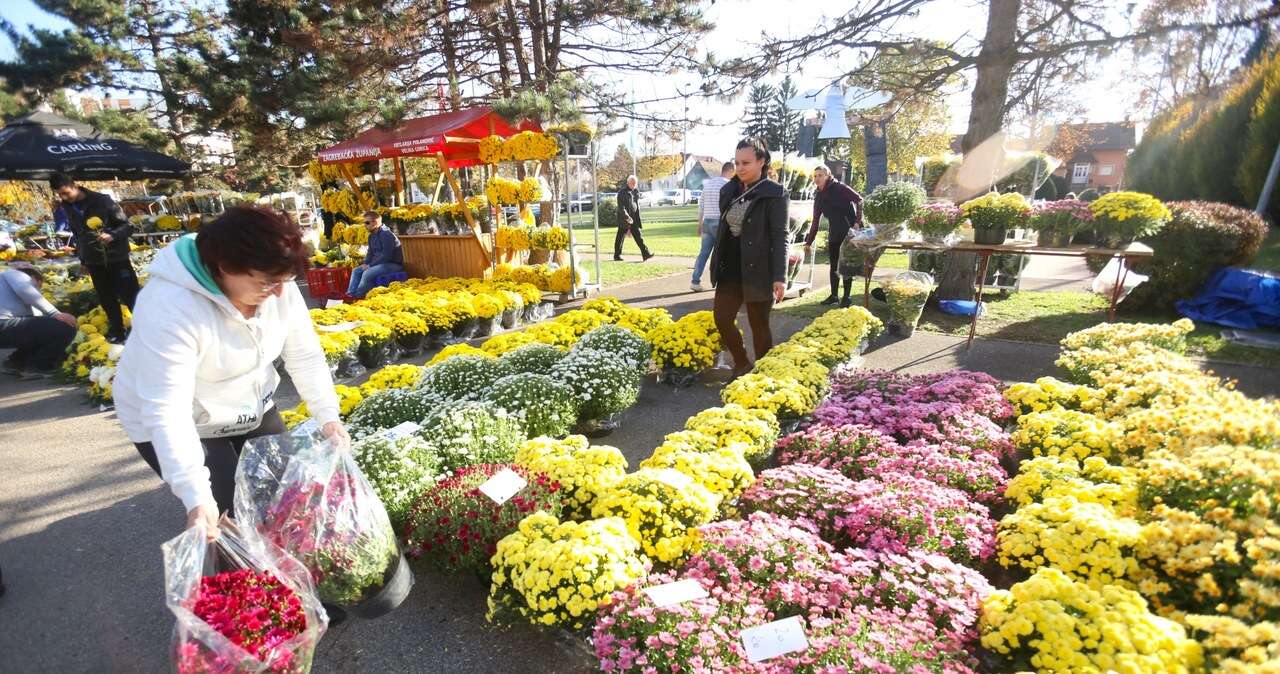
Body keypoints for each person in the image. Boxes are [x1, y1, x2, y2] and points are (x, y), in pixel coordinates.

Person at [113, 206, 349, 540]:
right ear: (225, 268)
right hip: (189, 419)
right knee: (229, 519)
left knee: (287, 500)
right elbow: (168, 410)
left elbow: (305, 355)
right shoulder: (170, 307)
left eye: (284, 281)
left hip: (251, 402)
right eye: (267, 282)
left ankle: (296, 582)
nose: (279, 292)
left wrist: (328, 416)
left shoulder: (276, 285)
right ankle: (250, 583)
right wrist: (195, 496)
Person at [710, 138, 788, 378]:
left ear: (761, 162)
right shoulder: (729, 189)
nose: (740, 168)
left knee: (759, 326)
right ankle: (742, 363)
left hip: (759, 270)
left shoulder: (775, 193)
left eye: (746, 162)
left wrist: (780, 276)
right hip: (730, 268)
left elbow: (780, 236)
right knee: (722, 319)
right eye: (737, 162)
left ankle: (764, 376)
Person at [49, 173, 139, 343]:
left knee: (131, 295)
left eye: (66, 193)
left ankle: (146, 327)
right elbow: (77, 234)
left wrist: (112, 235)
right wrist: (83, 260)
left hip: (116, 258)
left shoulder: (102, 200)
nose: (64, 197)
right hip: (94, 261)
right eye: (60, 194)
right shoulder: (66, 206)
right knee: (106, 298)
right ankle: (118, 331)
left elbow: (128, 226)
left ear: (75, 186)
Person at [0, 264, 78, 377]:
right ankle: (37, 366)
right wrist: (55, 313)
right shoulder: (15, 273)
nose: (37, 291)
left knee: (41, 329)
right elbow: (24, 289)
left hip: (5, 326)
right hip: (3, 324)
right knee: (66, 327)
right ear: (34, 277)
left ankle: (17, 362)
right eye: (37, 286)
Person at [804, 165, 864, 307]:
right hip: (834, 232)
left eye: (820, 175)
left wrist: (857, 221)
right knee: (834, 265)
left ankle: (847, 297)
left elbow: (860, 200)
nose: (817, 178)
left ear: (828, 175)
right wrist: (808, 242)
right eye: (815, 176)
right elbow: (815, 220)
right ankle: (834, 295)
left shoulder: (840, 188)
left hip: (849, 232)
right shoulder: (818, 196)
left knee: (846, 264)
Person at [691, 161, 734, 292]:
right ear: (731, 171)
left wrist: (699, 224)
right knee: (723, 253)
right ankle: (723, 282)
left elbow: (701, 205)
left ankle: (695, 280)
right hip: (719, 222)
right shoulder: (727, 184)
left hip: (707, 222)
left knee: (703, 254)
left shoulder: (708, 184)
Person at [346, 210, 404, 298]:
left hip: (392, 264)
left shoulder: (386, 234)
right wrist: (366, 263)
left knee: (367, 273)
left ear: (375, 222)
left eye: (367, 222)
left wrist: (370, 265)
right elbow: (370, 253)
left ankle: (357, 297)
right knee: (356, 271)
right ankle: (350, 295)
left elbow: (386, 256)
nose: (365, 225)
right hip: (380, 264)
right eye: (364, 222)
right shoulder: (371, 236)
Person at [614, 175, 654, 262]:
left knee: (639, 237)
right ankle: (617, 255)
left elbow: (636, 204)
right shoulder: (622, 193)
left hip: (634, 219)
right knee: (620, 238)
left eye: (635, 183)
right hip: (624, 219)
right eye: (632, 183)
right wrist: (627, 217)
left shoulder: (635, 191)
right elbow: (621, 207)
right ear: (628, 183)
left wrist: (636, 217)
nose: (633, 184)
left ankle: (646, 254)